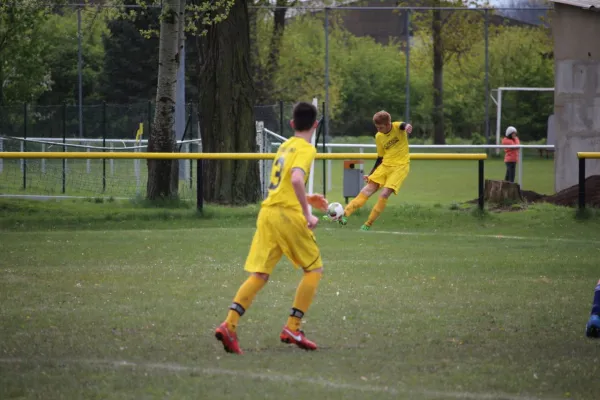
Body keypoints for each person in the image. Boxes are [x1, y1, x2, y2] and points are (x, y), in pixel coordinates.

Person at [214, 102, 329, 355]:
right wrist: (308, 213)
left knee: (260, 274)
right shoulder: (307, 149)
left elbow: (285, 184)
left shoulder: (284, 146)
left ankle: (229, 325)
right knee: (314, 269)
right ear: (315, 125)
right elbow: (297, 178)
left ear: (291, 124)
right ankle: (292, 327)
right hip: (287, 216)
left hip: (268, 214)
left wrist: (308, 199)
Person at [325, 110, 412, 231]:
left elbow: (403, 125)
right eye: (376, 127)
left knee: (384, 193)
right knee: (367, 190)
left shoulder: (397, 127)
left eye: (380, 127)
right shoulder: (379, 136)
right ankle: (344, 215)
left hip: (400, 167)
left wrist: (407, 126)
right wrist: (371, 174)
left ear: (388, 124)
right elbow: (380, 158)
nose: (378, 130)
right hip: (385, 166)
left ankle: (368, 224)